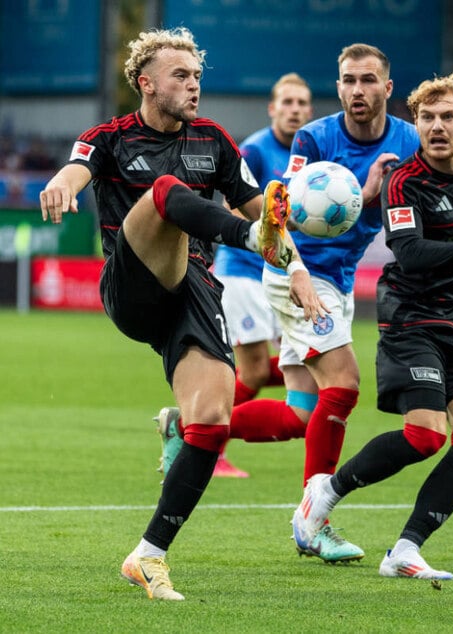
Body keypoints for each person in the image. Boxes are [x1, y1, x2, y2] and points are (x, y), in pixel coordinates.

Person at [38, 27, 321, 601]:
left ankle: (148, 556)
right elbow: (76, 170)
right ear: (146, 83)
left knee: (211, 424)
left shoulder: (214, 140)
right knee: (166, 190)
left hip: (194, 289)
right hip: (133, 282)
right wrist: (59, 185)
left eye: (196, 76)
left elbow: (265, 214)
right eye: (180, 76)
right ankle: (242, 240)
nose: (193, 86)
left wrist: (294, 268)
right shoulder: (109, 137)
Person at [158, 43, 419, 562]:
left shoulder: (409, 139)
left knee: (300, 412)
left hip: (338, 280)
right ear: (338, 85)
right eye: (348, 80)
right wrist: (364, 196)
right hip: (294, 271)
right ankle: (313, 519)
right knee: (343, 384)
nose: (357, 90)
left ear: (388, 88)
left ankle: (187, 426)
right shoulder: (314, 138)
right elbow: (283, 213)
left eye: (368, 80)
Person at [294, 72, 453, 580]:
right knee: (425, 436)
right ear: (415, 123)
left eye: (447, 117)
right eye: (426, 118)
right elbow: (412, 256)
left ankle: (406, 550)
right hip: (412, 318)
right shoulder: (404, 181)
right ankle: (324, 492)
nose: (436, 126)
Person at [205, 72, 315, 478]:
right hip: (245, 272)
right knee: (253, 371)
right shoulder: (253, 150)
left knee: (296, 363)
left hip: (281, 275)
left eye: (302, 103)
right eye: (287, 102)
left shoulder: (310, 154)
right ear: (273, 108)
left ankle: (198, 423)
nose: (295, 110)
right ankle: (201, 437)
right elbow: (234, 211)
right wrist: (272, 229)